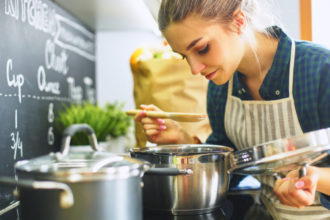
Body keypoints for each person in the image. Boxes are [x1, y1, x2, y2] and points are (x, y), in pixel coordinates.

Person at [134, 0, 330, 219]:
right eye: (184, 56)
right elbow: (229, 170)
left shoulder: (320, 69)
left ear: (238, 22)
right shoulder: (221, 90)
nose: (194, 69)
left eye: (202, 49)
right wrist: (181, 138)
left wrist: (314, 178)